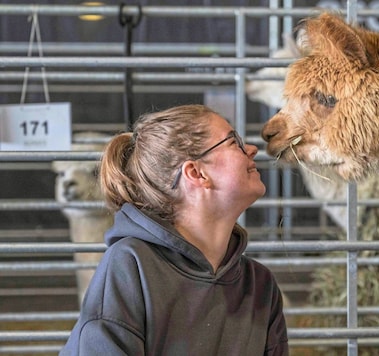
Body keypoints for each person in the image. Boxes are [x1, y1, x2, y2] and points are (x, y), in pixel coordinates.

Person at [60, 104, 289, 355]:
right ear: (196, 173)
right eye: (233, 142)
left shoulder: (259, 285)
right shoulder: (131, 266)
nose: (253, 149)